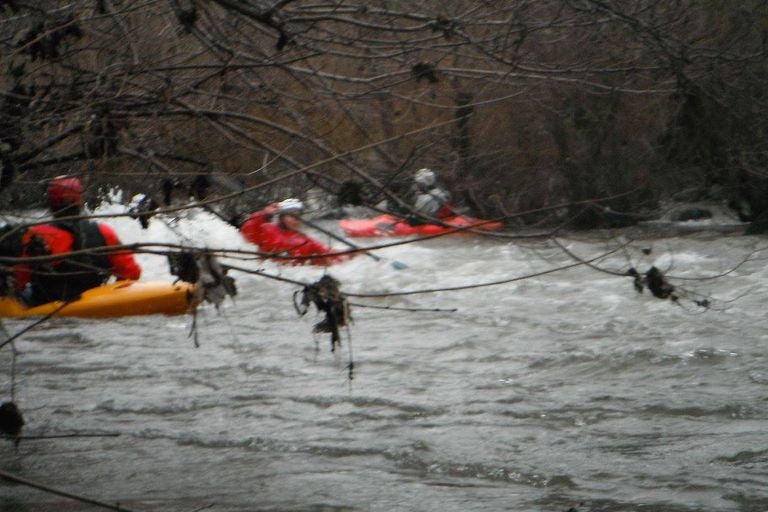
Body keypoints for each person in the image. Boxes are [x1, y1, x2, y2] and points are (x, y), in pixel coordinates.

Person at [13, 176, 142, 305]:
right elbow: (131, 273)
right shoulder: (104, 232)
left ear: (51, 202)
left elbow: (18, 280)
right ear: (80, 201)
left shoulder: (35, 234)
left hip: (46, 305)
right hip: (94, 302)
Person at [240, 198, 353, 266]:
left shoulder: (305, 239)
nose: (296, 219)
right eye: (292, 216)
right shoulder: (267, 228)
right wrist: (264, 214)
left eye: (298, 216)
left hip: (292, 275)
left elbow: (330, 253)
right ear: (282, 217)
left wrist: (350, 254)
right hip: (268, 272)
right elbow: (247, 231)